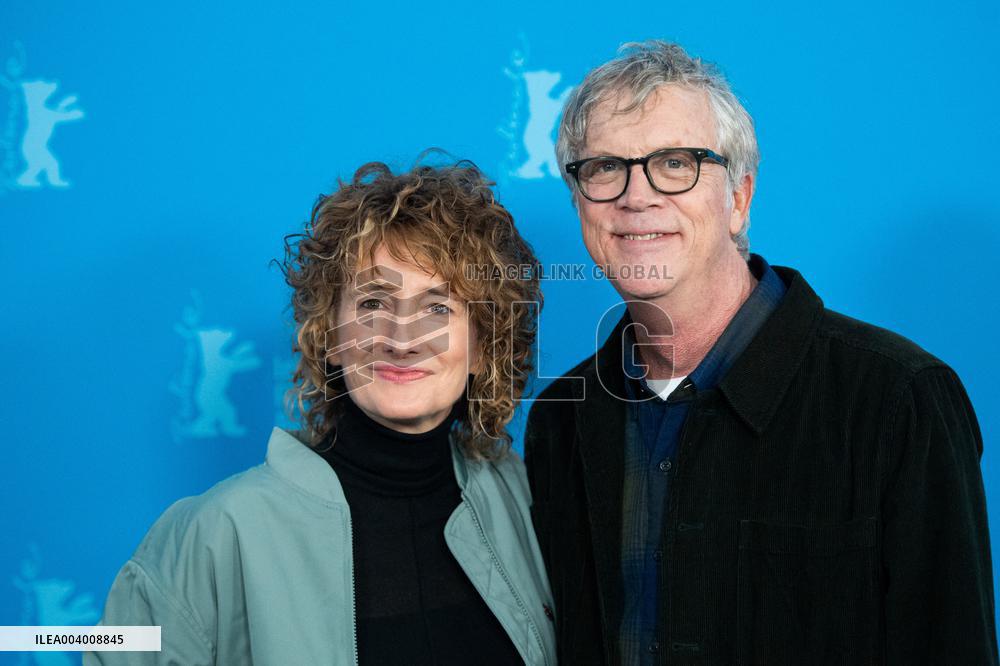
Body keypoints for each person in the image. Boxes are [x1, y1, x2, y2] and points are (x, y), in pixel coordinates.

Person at [524, 40, 998, 665]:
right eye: (605, 167)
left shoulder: (896, 398)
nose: (635, 197)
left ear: (739, 197)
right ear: (580, 198)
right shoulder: (562, 414)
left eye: (675, 163)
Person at [86, 160, 556, 665]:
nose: (402, 340)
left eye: (438, 308)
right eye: (373, 302)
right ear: (328, 335)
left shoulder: (525, 499)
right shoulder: (215, 533)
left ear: (484, 347)